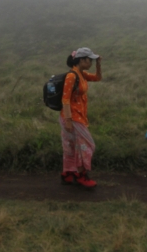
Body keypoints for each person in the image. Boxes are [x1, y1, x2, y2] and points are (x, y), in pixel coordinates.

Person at [60, 47, 102, 188]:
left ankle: (68, 173)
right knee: (88, 145)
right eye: (89, 59)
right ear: (81, 60)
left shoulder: (81, 74)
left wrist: (98, 64)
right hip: (72, 118)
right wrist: (68, 121)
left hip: (77, 117)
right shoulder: (72, 76)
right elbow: (65, 100)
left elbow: (97, 78)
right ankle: (81, 175)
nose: (90, 62)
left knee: (71, 146)